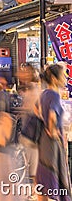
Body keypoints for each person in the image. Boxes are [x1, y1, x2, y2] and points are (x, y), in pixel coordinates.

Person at [36, 64, 71, 201]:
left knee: (44, 180)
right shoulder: (54, 96)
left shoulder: (43, 94)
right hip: (52, 142)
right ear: (55, 79)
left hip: (43, 141)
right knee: (55, 176)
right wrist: (53, 131)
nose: (66, 79)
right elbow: (52, 115)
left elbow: (36, 111)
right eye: (63, 76)